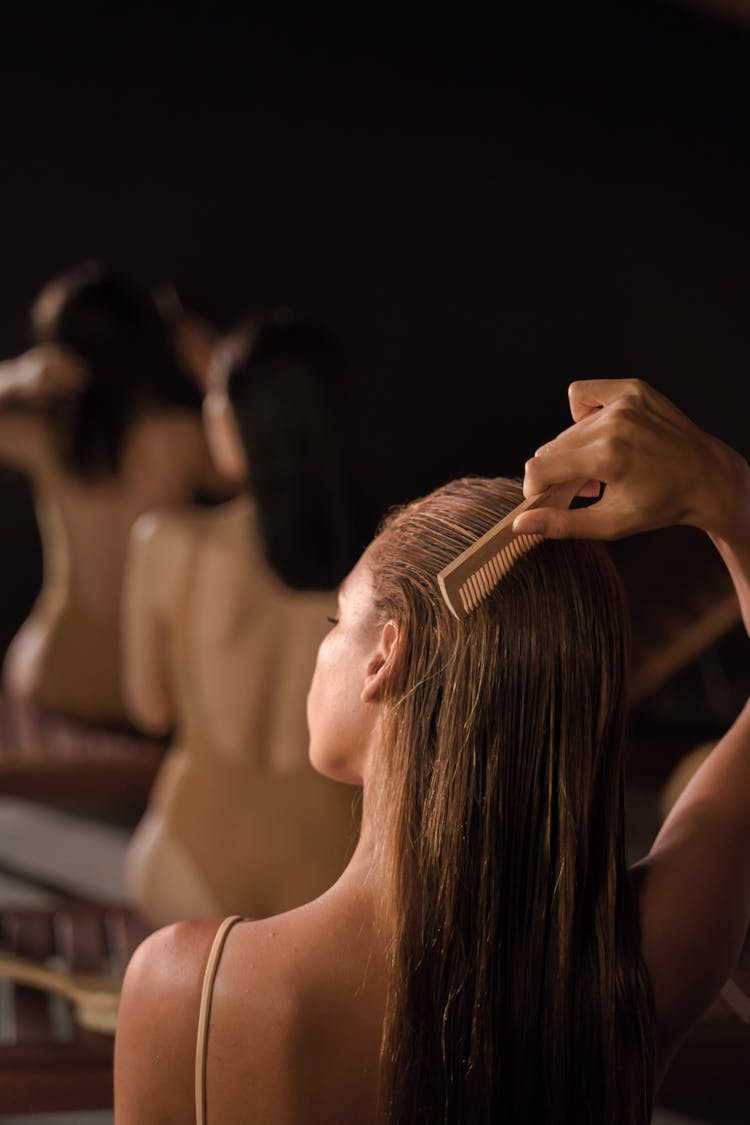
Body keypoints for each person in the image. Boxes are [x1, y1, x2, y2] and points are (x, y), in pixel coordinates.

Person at [114, 378, 750, 1124]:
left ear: (387, 655)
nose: (321, 647)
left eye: (335, 618)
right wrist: (724, 488)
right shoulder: (641, 965)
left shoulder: (186, 989)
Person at [121, 311, 367, 925]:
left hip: (189, 860)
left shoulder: (165, 542)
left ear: (243, 419)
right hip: (328, 878)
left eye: (215, 396)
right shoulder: (389, 564)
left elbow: (149, 709)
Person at [0, 261, 225, 726]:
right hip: (150, 680)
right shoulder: (182, 441)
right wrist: (214, 370)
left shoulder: (46, 439)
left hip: (58, 671)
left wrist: (16, 377)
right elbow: (253, 460)